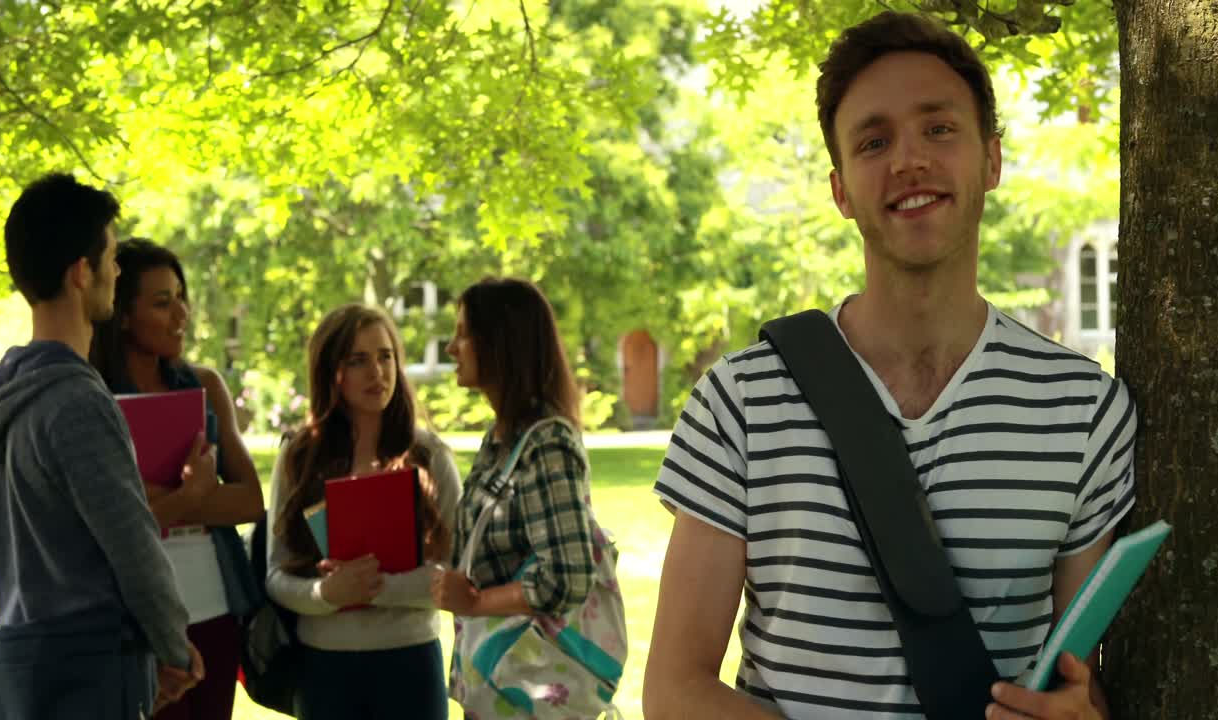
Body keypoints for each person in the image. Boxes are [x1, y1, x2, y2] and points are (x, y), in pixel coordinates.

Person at [643, 12, 1136, 720]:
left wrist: (1081, 714)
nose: (909, 160)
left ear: (991, 160)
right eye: (874, 141)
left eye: (939, 129)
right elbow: (674, 691)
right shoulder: (740, 401)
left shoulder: (1083, 412)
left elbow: (1073, 679)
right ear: (841, 189)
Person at [0, 173, 207, 715]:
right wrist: (175, 650)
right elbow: (133, 547)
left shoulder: (5, 392)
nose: (117, 270)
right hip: (88, 672)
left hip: (25, 671)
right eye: (111, 257)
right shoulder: (76, 402)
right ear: (83, 273)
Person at [89, 237, 264, 720]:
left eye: (181, 298)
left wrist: (177, 499)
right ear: (123, 314)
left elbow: (250, 501)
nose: (181, 314)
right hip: (133, 620)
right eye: (162, 303)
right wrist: (199, 496)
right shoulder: (93, 398)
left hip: (214, 610)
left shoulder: (205, 386)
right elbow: (100, 522)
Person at [266, 303, 460, 720]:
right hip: (324, 668)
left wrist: (375, 588)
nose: (378, 372)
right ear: (330, 371)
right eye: (358, 360)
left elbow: (458, 569)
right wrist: (326, 595)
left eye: (386, 356)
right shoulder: (299, 456)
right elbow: (276, 575)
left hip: (411, 662)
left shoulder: (429, 454)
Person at [430, 277, 599, 709]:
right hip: (500, 683)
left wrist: (474, 602)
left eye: (464, 334)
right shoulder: (502, 437)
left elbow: (567, 574)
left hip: (529, 691)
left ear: (500, 342)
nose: (452, 347)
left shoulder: (546, 443)